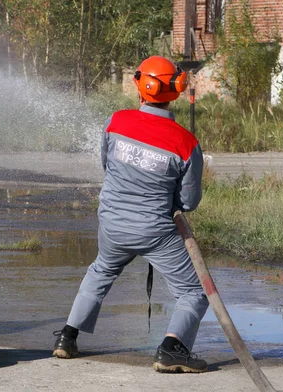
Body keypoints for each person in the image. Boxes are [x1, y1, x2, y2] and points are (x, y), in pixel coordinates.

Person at [52, 56, 209, 373]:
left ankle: (67, 338)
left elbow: (108, 167)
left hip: (112, 223)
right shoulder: (186, 143)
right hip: (156, 232)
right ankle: (172, 349)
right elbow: (188, 202)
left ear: (140, 87)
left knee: (100, 272)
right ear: (177, 89)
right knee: (193, 292)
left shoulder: (116, 121)